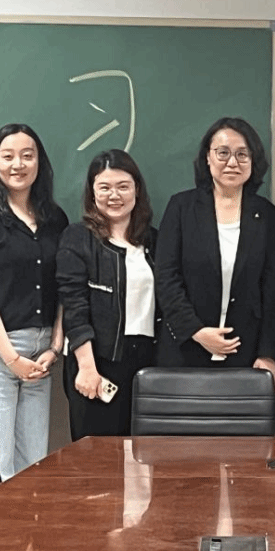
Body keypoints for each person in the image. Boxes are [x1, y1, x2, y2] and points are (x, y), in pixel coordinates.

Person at [0, 124, 68, 478]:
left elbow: (65, 287)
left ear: (39, 163)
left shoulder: (55, 219)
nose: (18, 164)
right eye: (8, 156)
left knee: (33, 463)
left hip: (41, 353)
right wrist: (10, 357)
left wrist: (55, 347)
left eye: (27, 156)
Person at [155, 117, 275, 383]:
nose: (232, 162)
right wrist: (196, 331)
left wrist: (268, 353)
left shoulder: (267, 215)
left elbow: (272, 290)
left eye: (242, 154)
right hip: (185, 349)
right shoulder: (181, 207)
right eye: (223, 153)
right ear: (207, 158)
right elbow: (166, 278)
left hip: (245, 352)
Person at [57, 149, 159, 439]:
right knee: (97, 457)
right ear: (92, 192)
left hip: (147, 361)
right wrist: (87, 367)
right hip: (98, 360)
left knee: (145, 455)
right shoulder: (78, 238)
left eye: (123, 186)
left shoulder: (154, 240)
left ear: (137, 189)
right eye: (104, 187)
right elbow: (74, 307)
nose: (114, 195)